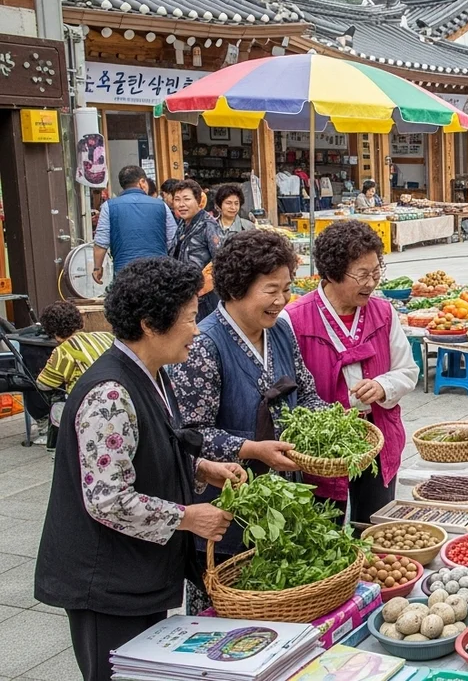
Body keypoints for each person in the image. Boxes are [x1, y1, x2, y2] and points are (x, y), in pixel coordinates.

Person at [34, 257, 245, 681]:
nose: (197, 329)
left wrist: (201, 469)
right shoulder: (110, 392)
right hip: (105, 583)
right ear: (150, 324)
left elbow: (149, 447)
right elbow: (108, 498)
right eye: (189, 318)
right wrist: (189, 517)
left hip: (137, 572)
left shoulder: (153, 371)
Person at [170, 229, 327, 613]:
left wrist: (333, 424)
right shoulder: (204, 344)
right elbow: (190, 434)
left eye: (287, 289)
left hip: (283, 496)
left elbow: (304, 391)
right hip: (228, 504)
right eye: (271, 290)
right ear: (237, 288)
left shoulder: (281, 331)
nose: (282, 300)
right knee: (232, 609)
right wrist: (251, 449)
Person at [281, 220, 418, 523]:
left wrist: (383, 386)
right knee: (321, 529)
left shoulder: (383, 312)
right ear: (331, 273)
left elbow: (407, 369)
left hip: (377, 437)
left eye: (375, 272)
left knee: (374, 524)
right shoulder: (293, 319)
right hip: (322, 448)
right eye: (362, 275)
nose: (371, 283)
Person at [35, 302, 114, 445]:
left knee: (58, 406)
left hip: (89, 405)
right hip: (118, 394)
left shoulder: (63, 351)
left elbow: (44, 384)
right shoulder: (106, 337)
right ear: (81, 323)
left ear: (53, 334)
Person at [92, 165, 178, 284]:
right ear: (142, 182)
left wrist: (97, 268)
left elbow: (101, 242)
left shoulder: (109, 206)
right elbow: (173, 240)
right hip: (159, 271)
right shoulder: (161, 205)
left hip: (124, 272)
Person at [170, 179, 223, 321]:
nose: (181, 204)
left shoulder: (208, 225)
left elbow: (221, 261)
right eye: (177, 199)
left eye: (187, 199)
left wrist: (199, 289)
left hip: (204, 298)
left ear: (198, 200)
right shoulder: (182, 224)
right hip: (184, 295)